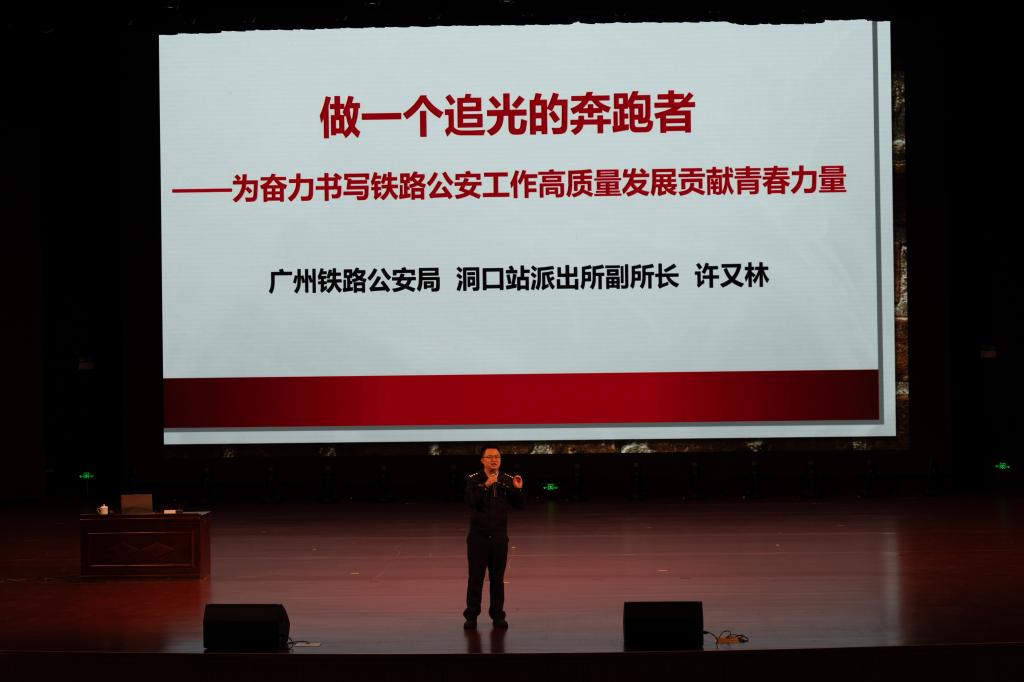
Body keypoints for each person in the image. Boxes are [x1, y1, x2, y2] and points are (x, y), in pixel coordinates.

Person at [463, 446, 524, 629]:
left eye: (497, 457)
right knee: (476, 578)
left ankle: (498, 615)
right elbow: (471, 502)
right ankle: (471, 616)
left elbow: (520, 505)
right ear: (482, 460)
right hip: (478, 538)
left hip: (499, 538)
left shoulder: (507, 479)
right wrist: (486, 486)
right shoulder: (473, 479)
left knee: (497, 579)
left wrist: (518, 490)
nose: (494, 460)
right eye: (489, 457)